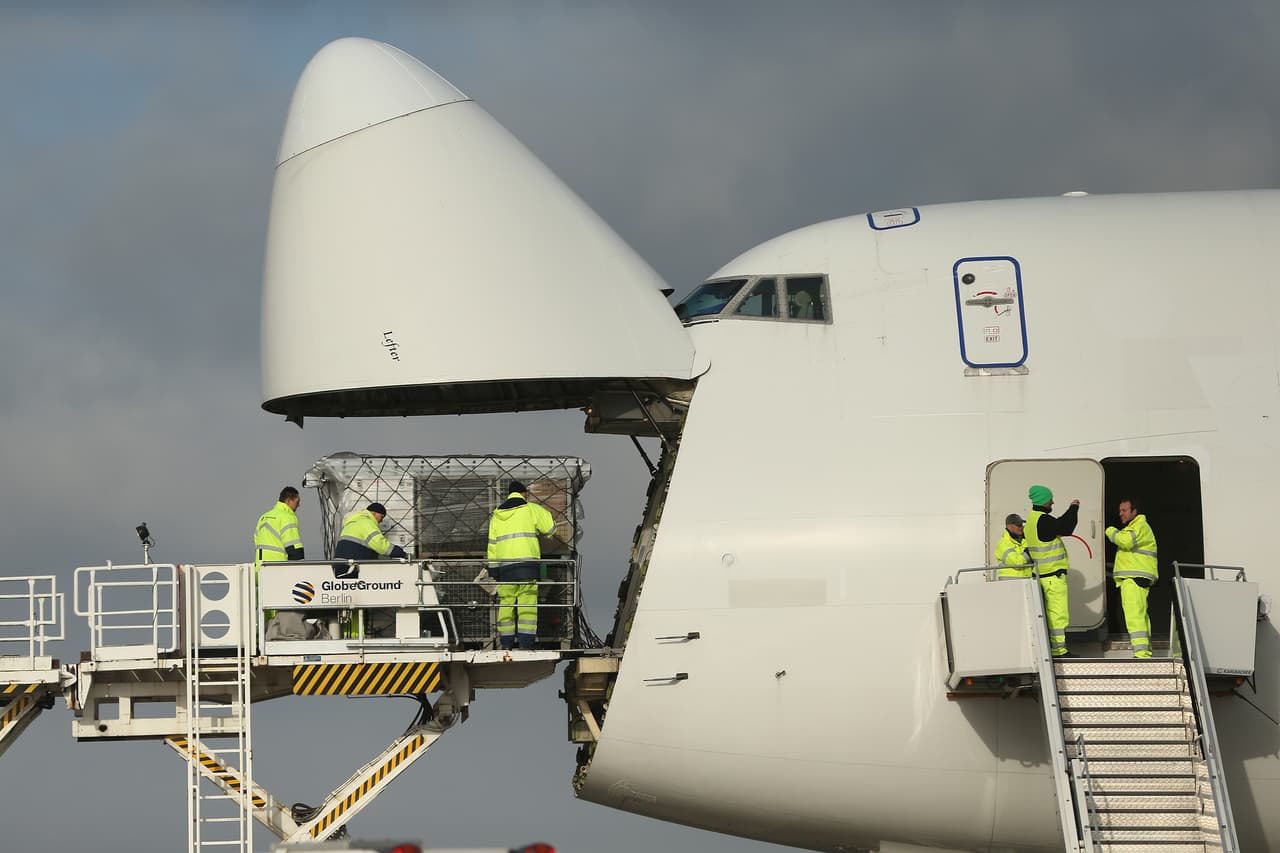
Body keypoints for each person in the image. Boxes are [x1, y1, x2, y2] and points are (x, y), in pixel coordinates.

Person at [487, 481, 556, 651]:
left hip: (505, 570)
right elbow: (550, 530)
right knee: (527, 606)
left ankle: (506, 643)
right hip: (527, 567)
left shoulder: (497, 516)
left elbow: (492, 545)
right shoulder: (531, 509)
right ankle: (526, 643)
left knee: (506, 605)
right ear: (524, 493)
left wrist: (494, 570)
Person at [1025, 484, 1080, 657]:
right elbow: (1066, 527)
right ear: (1043, 500)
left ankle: (1052, 648)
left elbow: (1057, 528)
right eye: (1050, 499)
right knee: (1058, 615)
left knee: (1047, 616)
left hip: (1041, 576)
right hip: (1053, 579)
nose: (1052, 502)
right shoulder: (1043, 520)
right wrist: (1073, 508)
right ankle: (1059, 650)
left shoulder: (1031, 521)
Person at [1106, 498, 1158, 659]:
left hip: (1134, 577)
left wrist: (1108, 530)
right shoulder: (1136, 527)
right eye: (1120, 510)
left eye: (1124, 510)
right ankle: (1144, 650)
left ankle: (1141, 653)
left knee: (1134, 615)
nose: (1120, 513)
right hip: (1137, 576)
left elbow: (1125, 541)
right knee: (1140, 614)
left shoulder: (1139, 526)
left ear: (1134, 512)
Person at [332, 502, 407, 578]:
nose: (381, 521)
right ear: (374, 513)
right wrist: (399, 552)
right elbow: (380, 544)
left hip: (341, 564)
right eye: (381, 517)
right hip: (351, 568)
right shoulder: (367, 523)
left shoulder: (353, 522)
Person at [254, 486, 305, 576]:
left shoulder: (263, 517)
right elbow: (294, 548)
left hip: (260, 570)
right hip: (279, 571)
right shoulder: (287, 517)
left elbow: (256, 541)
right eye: (297, 502)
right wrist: (299, 573)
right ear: (289, 501)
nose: (299, 505)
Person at [994, 513, 1032, 579]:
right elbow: (1016, 563)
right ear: (1010, 526)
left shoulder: (1025, 541)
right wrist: (1028, 553)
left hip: (1027, 582)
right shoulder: (1003, 543)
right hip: (1011, 583)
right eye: (1018, 525)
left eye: (1022, 525)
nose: (1022, 527)